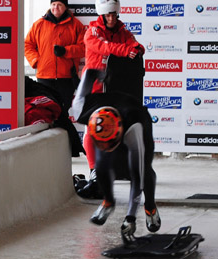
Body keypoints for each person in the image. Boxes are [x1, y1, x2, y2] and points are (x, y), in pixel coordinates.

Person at [72, 0, 144, 199]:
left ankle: (119, 168)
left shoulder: (123, 31)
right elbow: (105, 48)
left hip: (113, 87)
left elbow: (133, 43)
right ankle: (94, 169)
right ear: (102, 16)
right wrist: (125, 50)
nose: (111, 18)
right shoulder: (92, 31)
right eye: (108, 15)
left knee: (117, 126)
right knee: (91, 127)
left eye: (114, 14)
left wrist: (137, 49)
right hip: (92, 88)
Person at [77, 90, 161, 238]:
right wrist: (93, 74)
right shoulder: (83, 112)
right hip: (108, 116)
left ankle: (150, 208)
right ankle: (108, 202)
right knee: (101, 166)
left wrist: (131, 218)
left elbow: (137, 177)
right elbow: (86, 78)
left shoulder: (135, 130)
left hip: (136, 120)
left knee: (143, 170)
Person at [24, 0, 85, 115]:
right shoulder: (39, 24)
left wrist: (66, 51)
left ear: (65, 7)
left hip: (66, 78)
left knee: (63, 112)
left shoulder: (76, 25)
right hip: (44, 78)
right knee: (46, 112)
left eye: (59, 5)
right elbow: (27, 45)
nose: (56, 7)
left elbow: (84, 48)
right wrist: (36, 61)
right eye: (53, 4)